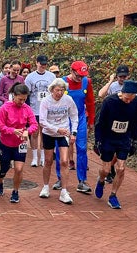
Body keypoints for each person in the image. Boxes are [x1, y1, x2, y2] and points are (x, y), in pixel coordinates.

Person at [94, 80, 137, 209]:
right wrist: (98, 140)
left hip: (124, 138)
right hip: (108, 137)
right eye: (126, 99)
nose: (128, 101)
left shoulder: (136, 102)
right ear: (122, 93)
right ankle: (101, 180)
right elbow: (100, 121)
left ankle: (113, 196)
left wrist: (134, 140)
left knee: (121, 168)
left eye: (131, 99)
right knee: (106, 169)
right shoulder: (109, 101)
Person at [53, 61, 95, 193]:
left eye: (83, 76)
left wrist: (91, 121)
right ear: (72, 71)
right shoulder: (61, 82)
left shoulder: (86, 82)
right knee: (61, 148)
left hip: (81, 118)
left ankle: (82, 181)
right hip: (64, 119)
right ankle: (60, 178)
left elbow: (90, 101)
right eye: (78, 75)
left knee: (82, 148)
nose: (80, 78)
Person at [0, 83, 38, 203]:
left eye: (24, 99)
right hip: (6, 142)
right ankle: (0, 181)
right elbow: (0, 126)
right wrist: (13, 131)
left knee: (19, 169)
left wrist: (27, 131)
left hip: (20, 144)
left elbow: (34, 124)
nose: (22, 102)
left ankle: (15, 191)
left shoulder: (27, 108)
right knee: (4, 168)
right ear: (14, 96)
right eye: (20, 99)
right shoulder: (5, 108)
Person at [38, 78, 78, 204]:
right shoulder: (46, 101)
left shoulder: (68, 100)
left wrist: (74, 132)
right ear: (52, 90)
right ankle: (45, 186)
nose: (59, 93)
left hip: (64, 133)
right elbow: (42, 121)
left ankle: (64, 191)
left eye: (62, 90)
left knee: (65, 161)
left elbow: (74, 115)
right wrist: (56, 129)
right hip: (49, 132)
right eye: (57, 90)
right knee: (49, 160)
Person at [97, 64, 131, 183]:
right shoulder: (113, 85)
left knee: (120, 149)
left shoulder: (131, 87)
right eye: (119, 76)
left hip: (124, 121)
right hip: (111, 120)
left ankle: (111, 165)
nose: (122, 79)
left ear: (128, 76)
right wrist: (110, 81)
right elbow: (101, 95)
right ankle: (107, 169)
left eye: (124, 76)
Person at [25, 55, 56, 167]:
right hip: (34, 109)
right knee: (34, 133)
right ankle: (34, 157)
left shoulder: (51, 76)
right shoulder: (30, 77)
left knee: (44, 133)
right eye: (41, 64)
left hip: (46, 110)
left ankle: (43, 157)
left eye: (45, 64)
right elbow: (27, 94)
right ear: (36, 63)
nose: (43, 66)